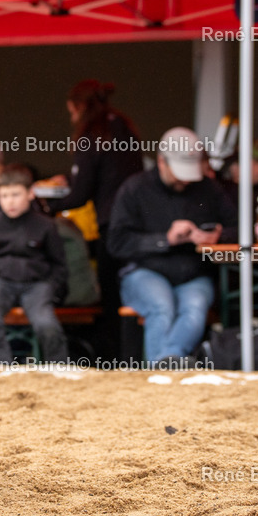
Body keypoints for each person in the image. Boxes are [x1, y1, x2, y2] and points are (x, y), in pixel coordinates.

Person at [107, 127, 238, 363]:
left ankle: (165, 364)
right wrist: (164, 240)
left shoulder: (209, 189)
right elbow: (116, 243)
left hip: (194, 274)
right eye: (179, 172)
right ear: (161, 161)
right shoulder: (134, 188)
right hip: (145, 271)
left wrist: (216, 237)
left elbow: (241, 230)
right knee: (161, 305)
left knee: (195, 307)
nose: (184, 180)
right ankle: (166, 369)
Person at [45, 81, 144, 360]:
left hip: (112, 226)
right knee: (134, 292)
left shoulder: (92, 133)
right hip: (138, 222)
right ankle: (136, 356)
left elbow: (81, 194)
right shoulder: (123, 126)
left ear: (79, 107)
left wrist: (47, 205)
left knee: (111, 296)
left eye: (72, 113)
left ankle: (114, 359)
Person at [0, 165, 69, 363]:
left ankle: (60, 369)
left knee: (46, 324)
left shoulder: (46, 225)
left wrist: (50, 287)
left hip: (36, 286)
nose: (9, 201)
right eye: (4, 196)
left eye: (15, 194)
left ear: (30, 194)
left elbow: (60, 265)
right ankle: (3, 369)